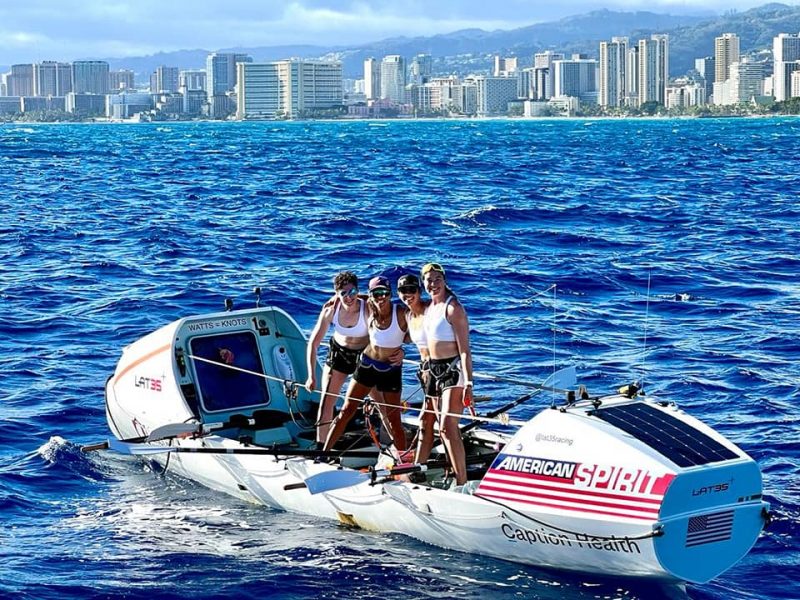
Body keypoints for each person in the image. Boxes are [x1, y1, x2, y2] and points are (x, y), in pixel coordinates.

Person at [323, 276, 408, 454]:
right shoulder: (368, 306)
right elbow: (354, 297)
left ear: (390, 294)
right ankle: (323, 454)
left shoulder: (400, 312)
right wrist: (335, 298)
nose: (381, 297)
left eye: (385, 293)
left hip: (391, 370)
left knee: (394, 420)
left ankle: (404, 463)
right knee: (346, 410)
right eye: (377, 293)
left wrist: (403, 351)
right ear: (371, 295)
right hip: (367, 365)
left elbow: (418, 331)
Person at [420, 262, 474, 485]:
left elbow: (464, 350)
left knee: (447, 427)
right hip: (433, 371)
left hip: (453, 372)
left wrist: (469, 382)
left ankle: (463, 482)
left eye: (437, 279)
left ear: (444, 280)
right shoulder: (430, 308)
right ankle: (452, 473)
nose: (433, 284)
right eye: (428, 280)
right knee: (438, 429)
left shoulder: (453, 309)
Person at [305, 271, 369, 448]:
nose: (349, 298)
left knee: (379, 401)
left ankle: (389, 445)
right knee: (327, 401)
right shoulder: (330, 310)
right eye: (343, 294)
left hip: (363, 355)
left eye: (352, 292)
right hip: (339, 355)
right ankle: (321, 447)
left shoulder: (368, 308)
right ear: (336, 294)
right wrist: (311, 376)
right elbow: (313, 343)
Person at [396, 273, 436, 465]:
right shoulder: (408, 314)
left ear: (420, 291)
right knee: (426, 421)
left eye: (412, 290)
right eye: (404, 290)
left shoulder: (431, 309)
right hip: (426, 373)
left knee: (442, 423)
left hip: (443, 372)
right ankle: (418, 466)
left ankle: (458, 473)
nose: (408, 294)